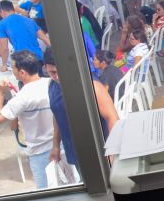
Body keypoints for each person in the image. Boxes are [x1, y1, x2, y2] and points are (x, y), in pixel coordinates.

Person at [43, 48, 118, 176]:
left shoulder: (91, 85)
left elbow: (113, 118)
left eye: (59, 71)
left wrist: (112, 153)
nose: (57, 77)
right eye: (52, 72)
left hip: (100, 151)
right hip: (75, 152)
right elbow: (57, 114)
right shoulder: (52, 86)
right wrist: (55, 145)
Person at [0, 50, 54, 189]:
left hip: (39, 152)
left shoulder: (22, 97)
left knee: (46, 194)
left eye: (12, 68)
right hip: (60, 145)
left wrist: (0, 93)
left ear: (22, 73)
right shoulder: (51, 83)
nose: (11, 71)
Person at [0, 0, 49, 69]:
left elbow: (4, 48)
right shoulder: (29, 20)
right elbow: (45, 39)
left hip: (23, 61)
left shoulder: (2, 24)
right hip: (38, 58)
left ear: (2, 12)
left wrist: (4, 64)